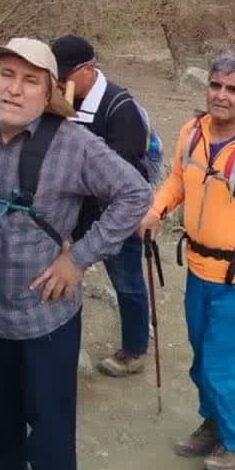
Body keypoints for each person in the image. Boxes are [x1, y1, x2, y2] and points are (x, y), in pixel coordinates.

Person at [0, 38, 152, 470]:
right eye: (6, 75)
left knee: (49, 425)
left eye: (30, 81)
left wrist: (80, 258)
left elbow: (135, 195)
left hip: (44, 318)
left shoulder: (74, 144)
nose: (14, 89)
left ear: (49, 92)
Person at [137, 51, 235, 470]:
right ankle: (212, 424)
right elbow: (177, 179)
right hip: (198, 271)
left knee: (219, 366)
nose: (221, 96)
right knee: (200, 357)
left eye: (233, 89)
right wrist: (156, 209)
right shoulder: (192, 132)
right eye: (215, 85)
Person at [50, 33, 152, 378]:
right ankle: (62, 347)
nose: (60, 83)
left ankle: (135, 350)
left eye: (65, 76)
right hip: (71, 215)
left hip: (112, 217)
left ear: (88, 70)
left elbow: (123, 171)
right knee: (64, 279)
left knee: (127, 282)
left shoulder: (119, 108)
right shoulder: (62, 101)